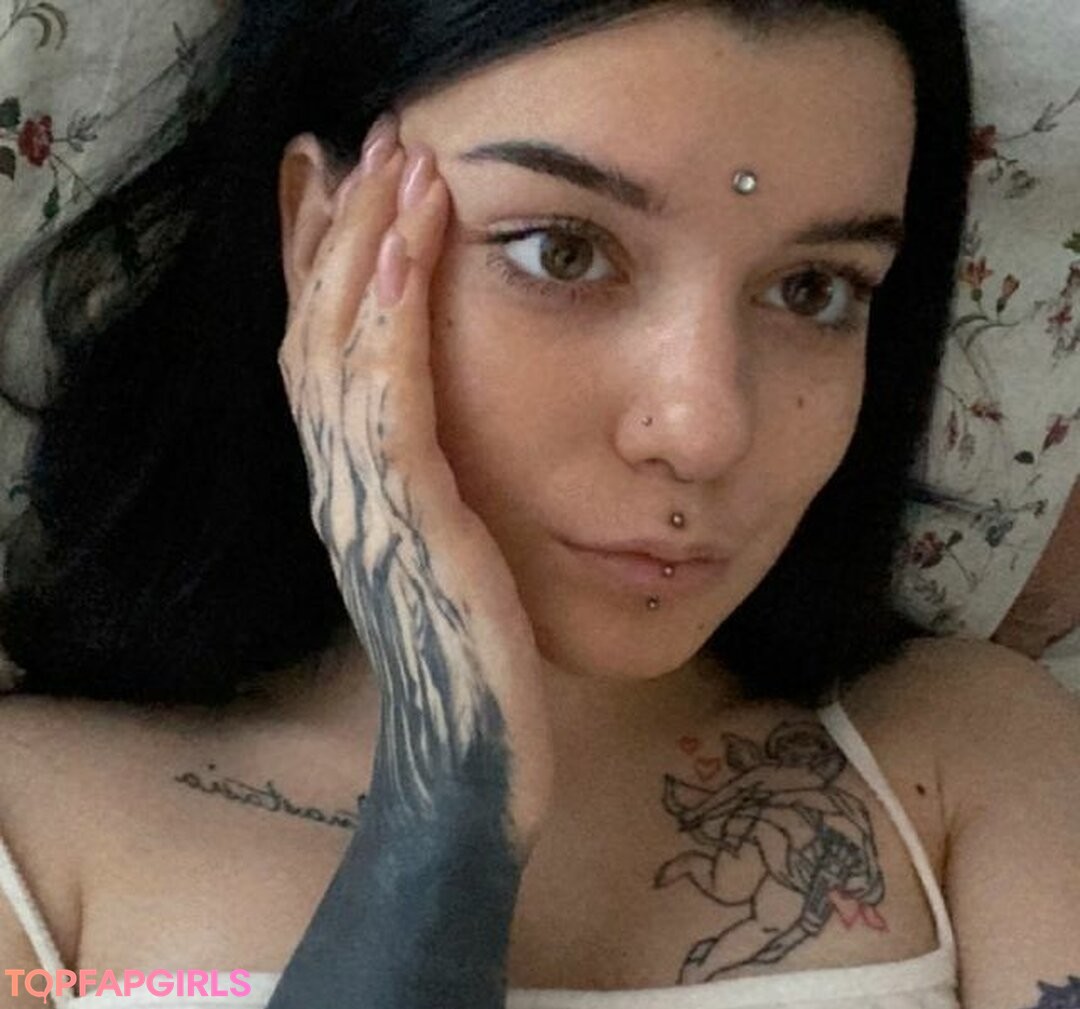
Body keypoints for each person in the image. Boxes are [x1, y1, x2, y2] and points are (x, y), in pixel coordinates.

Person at [0, 1, 1077, 1007]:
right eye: (563, 253)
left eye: (815, 289)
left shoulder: (970, 762)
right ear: (323, 240)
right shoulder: (34, 829)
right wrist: (444, 810)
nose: (703, 430)